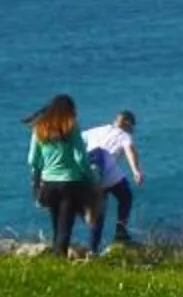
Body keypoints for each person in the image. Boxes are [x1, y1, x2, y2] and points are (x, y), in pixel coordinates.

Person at [26, 93, 99, 258]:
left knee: (56, 221)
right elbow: (80, 157)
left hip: (48, 183)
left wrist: (37, 181)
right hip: (70, 182)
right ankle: (60, 257)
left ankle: (56, 253)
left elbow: (32, 160)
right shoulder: (70, 126)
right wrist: (90, 177)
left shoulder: (39, 128)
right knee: (65, 223)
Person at [84, 109, 143, 251]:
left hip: (91, 176)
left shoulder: (96, 130)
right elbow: (130, 151)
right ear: (127, 123)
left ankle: (93, 250)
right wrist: (136, 171)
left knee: (98, 214)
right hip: (110, 176)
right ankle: (121, 231)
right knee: (126, 196)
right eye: (132, 126)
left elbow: (76, 142)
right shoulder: (124, 136)